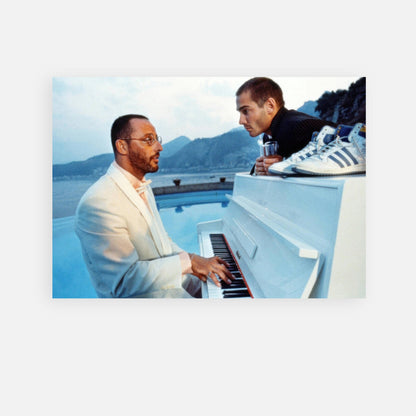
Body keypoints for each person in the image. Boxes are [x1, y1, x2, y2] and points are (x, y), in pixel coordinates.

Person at [75, 114, 233, 298]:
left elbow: (163, 244)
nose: (159, 147)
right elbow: (124, 281)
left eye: (157, 140)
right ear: (122, 146)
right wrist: (189, 262)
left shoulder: (144, 188)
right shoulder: (98, 202)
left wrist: (198, 269)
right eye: (149, 140)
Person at [236, 77, 336, 175]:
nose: (241, 121)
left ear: (270, 106)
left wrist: (285, 165)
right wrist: (259, 169)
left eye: (246, 111)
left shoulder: (300, 127)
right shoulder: (269, 135)